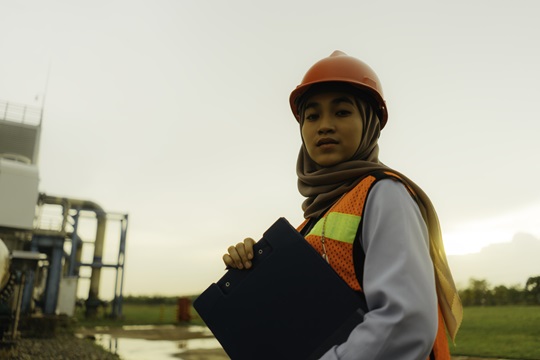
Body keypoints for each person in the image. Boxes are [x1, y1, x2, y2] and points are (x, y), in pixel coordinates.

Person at [222, 50, 462, 359]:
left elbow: (405, 322)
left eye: (342, 112)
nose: (324, 126)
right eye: (312, 116)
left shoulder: (384, 194)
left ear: (369, 122)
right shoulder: (309, 223)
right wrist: (254, 273)